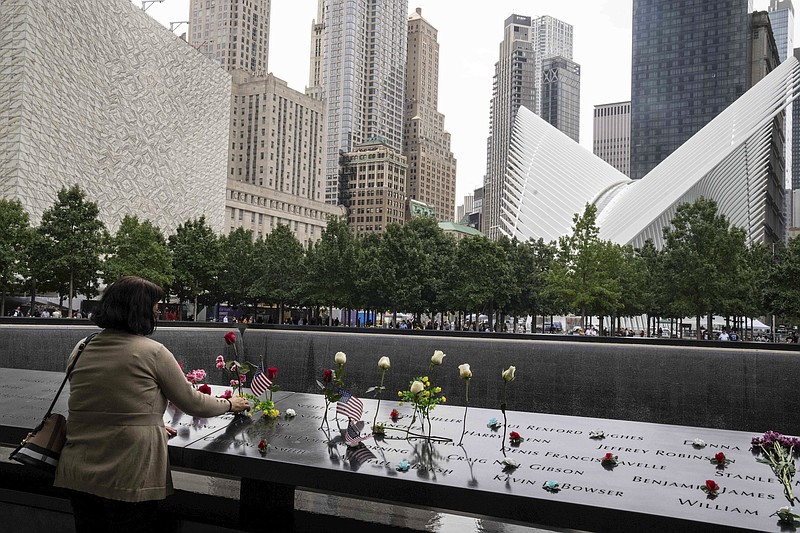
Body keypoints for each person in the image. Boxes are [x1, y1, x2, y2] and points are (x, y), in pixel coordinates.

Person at [54, 276, 250, 532]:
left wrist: (148, 423)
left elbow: (100, 398)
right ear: (139, 310)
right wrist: (229, 404)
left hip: (77, 471)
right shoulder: (152, 352)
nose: (158, 311)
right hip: (126, 474)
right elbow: (192, 403)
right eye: (155, 306)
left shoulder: (83, 346)